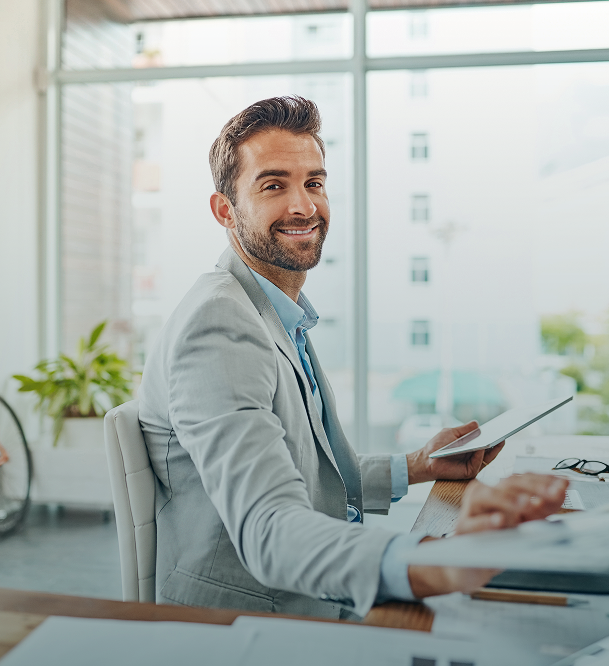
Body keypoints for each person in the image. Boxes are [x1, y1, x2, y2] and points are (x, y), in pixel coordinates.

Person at [136, 95, 568, 619]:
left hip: (305, 604)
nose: (304, 206)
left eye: (313, 183)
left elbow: (310, 476)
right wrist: (442, 561)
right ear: (225, 210)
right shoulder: (219, 324)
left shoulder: (275, 311)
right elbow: (269, 528)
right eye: (274, 185)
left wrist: (421, 465)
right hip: (254, 626)